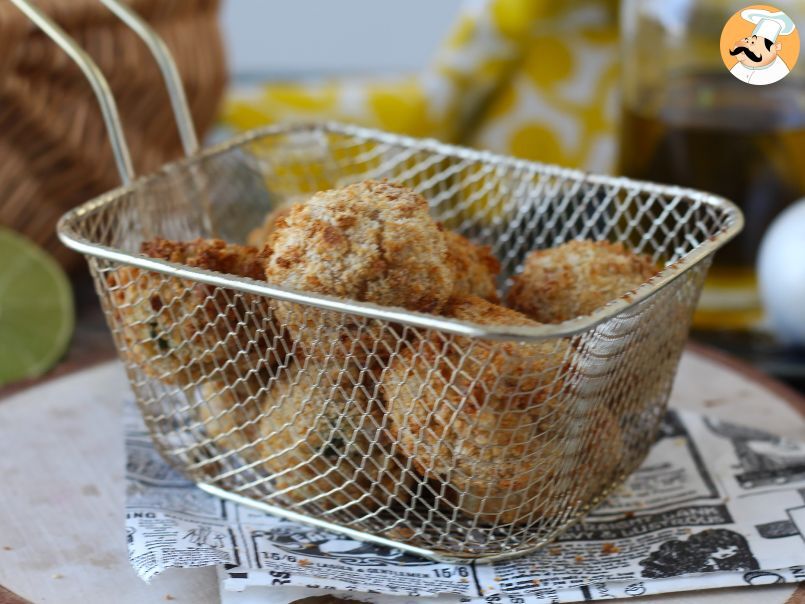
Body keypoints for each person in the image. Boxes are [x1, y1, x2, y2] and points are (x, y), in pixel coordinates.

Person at [728, 9, 797, 85]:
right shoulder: (738, 67)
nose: (746, 44)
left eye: (753, 43)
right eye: (747, 40)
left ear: (776, 47)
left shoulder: (779, 72)